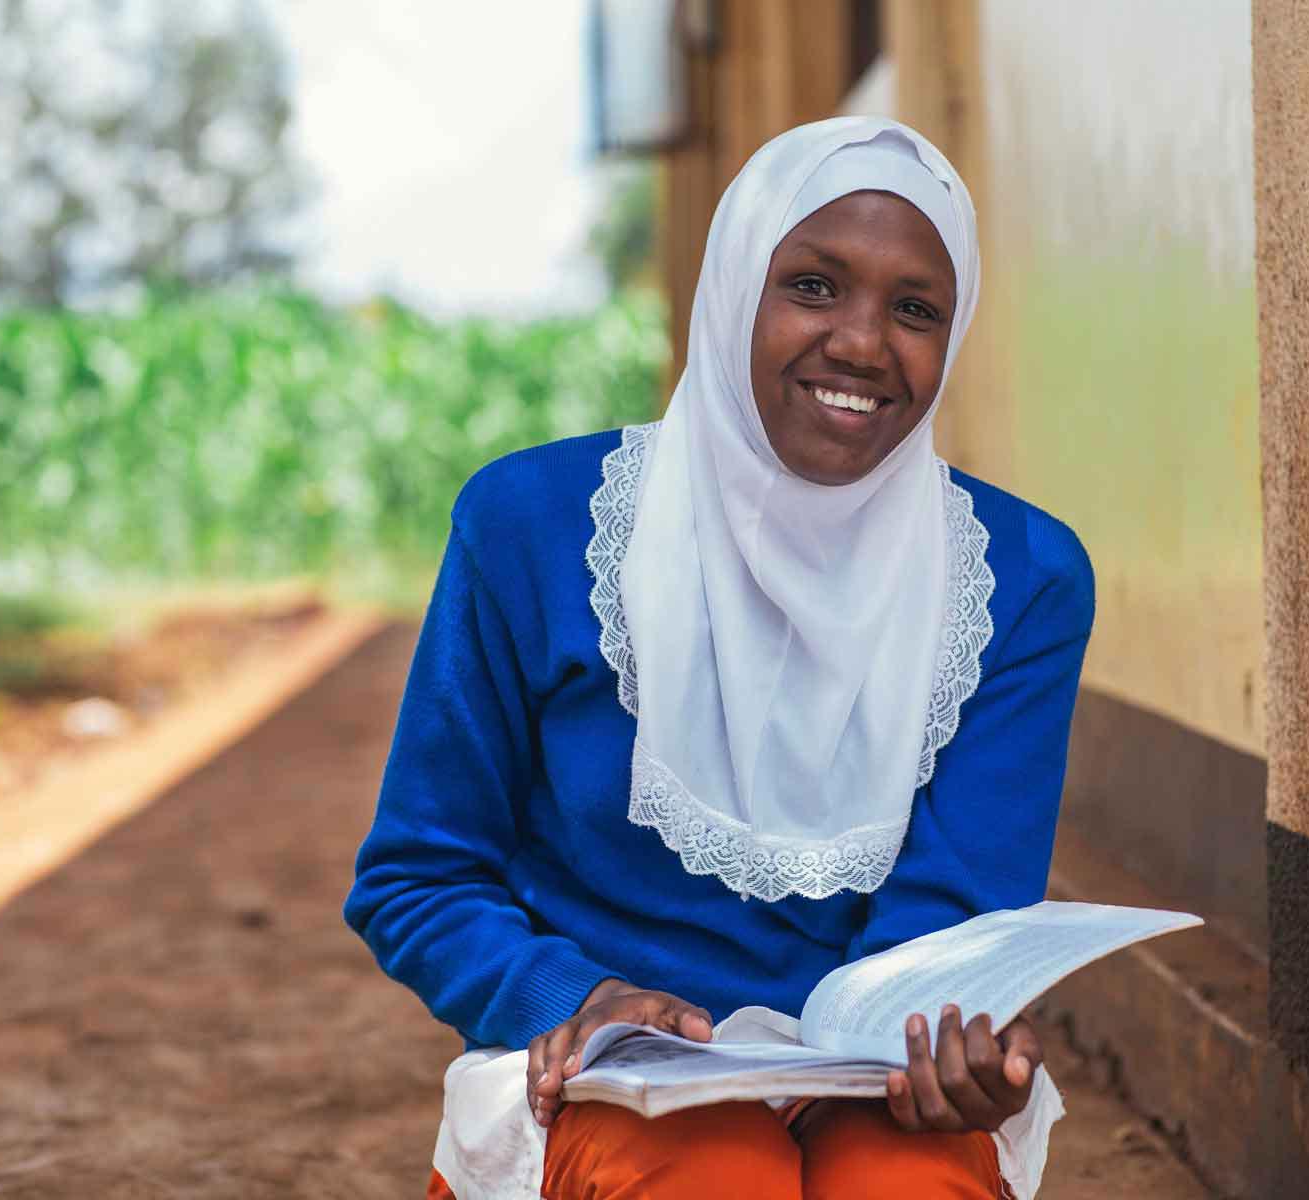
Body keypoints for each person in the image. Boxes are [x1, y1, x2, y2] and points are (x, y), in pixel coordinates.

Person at [345, 116, 1094, 1200]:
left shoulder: (1018, 579)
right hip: (606, 1081)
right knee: (716, 1178)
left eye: (917, 309)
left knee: (906, 1189)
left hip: (870, 1087)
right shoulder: (534, 527)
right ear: (735, 284)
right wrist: (567, 994)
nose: (863, 344)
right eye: (814, 286)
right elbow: (419, 873)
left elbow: (956, 914)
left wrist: (949, 1037)